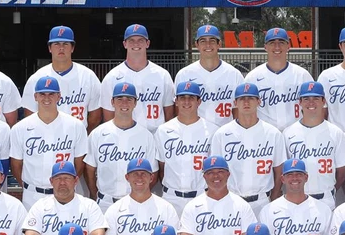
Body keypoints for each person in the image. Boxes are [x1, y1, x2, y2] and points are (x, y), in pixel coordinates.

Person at [10, 76, 88, 210]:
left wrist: (67, 185)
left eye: (51, 94)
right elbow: (16, 164)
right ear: (35, 96)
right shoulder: (20, 128)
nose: (47, 98)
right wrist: (29, 186)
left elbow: (80, 163)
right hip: (32, 195)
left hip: (65, 194)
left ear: (59, 96)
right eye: (42, 94)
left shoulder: (75, 125)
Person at [210, 82, 287, 209]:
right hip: (231, 200)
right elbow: (214, 171)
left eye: (250, 98)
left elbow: (279, 171)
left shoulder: (273, 133)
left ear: (259, 101)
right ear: (235, 103)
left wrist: (273, 198)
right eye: (242, 99)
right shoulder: (221, 134)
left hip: (263, 200)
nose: (246, 102)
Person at [87, 82, 159, 212]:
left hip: (135, 202)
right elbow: (90, 169)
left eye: (129, 99)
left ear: (135, 103)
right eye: (119, 99)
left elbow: (153, 172)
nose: (124, 103)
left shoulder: (146, 135)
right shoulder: (98, 133)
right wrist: (94, 194)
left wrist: (140, 195)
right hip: (105, 203)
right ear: (112, 102)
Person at [24, 161, 108, 235]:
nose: (62, 182)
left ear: (76, 181)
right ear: (51, 181)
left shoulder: (89, 205)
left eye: (67, 178)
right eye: (58, 178)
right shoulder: (40, 206)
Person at [21, 26, 103, 130]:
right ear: (49, 48)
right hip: (46, 136)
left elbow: (96, 116)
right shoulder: (37, 78)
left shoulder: (88, 76)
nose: (61, 48)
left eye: (65, 44)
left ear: (72, 48)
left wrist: (83, 135)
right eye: (56, 44)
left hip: (77, 135)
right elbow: (29, 116)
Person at [99, 23, 175, 132]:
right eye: (131, 40)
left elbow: (169, 114)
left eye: (140, 40)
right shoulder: (112, 77)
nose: (136, 43)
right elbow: (109, 117)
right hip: (125, 137)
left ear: (147, 43)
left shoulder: (162, 75)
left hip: (156, 136)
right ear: (125, 44)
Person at [154, 80, 214, 215]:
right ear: (176, 101)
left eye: (191, 98)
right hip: (171, 198)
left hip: (202, 196)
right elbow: (162, 168)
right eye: (182, 98)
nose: (186, 102)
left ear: (199, 102)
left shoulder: (212, 130)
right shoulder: (163, 130)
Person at [284, 81, 345, 202]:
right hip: (296, 199)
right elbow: (283, 170)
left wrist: (330, 191)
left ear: (323, 101)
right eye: (306, 99)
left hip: (326, 198)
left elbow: (342, 173)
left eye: (316, 98)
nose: (311, 103)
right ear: (300, 102)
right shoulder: (288, 133)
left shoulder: (336, 133)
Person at [244, 28, 313, 131]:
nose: (277, 47)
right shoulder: (252, 77)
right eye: (272, 43)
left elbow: (315, 107)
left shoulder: (302, 75)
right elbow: (244, 111)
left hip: (297, 133)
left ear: (288, 46)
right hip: (264, 134)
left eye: (281, 42)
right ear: (265, 47)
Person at [175, 24, 243, 129]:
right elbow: (178, 109)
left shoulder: (234, 74)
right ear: (197, 45)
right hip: (195, 132)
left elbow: (238, 110)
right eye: (203, 41)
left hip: (225, 132)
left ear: (219, 44)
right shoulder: (184, 74)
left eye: (212, 41)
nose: (208, 45)